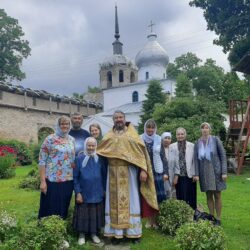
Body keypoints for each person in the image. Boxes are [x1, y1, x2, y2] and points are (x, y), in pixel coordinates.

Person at [97, 110, 158, 242]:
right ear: (113, 120)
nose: (119, 119)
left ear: (124, 119)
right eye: (116, 117)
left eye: (121, 117)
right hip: (112, 172)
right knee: (112, 203)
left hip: (129, 171)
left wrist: (143, 170)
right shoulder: (109, 136)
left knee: (132, 201)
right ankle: (115, 234)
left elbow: (142, 154)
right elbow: (100, 151)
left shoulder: (133, 134)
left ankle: (134, 233)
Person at [38, 116, 75, 249]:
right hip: (52, 180)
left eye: (67, 124)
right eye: (62, 124)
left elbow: (73, 160)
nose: (65, 126)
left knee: (63, 206)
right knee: (51, 207)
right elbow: (42, 161)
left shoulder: (72, 139)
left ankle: (61, 233)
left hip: (68, 179)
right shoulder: (50, 139)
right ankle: (49, 234)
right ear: (58, 125)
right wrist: (43, 181)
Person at [72, 137, 107, 245]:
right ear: (85, 146)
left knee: (94, 213)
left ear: (96, 146)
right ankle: (82, 234)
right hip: (84, 192)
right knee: (83, 212)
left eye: (93, 145)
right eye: (89, 145)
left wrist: (104, 190)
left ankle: (93, 234)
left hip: (97, 191)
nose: (91, 148)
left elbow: (104, 175)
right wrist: (78, 192)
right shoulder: (79, 159)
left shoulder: (100, 159)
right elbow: (75, 177)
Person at [194, 122, 227, 225]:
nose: (205, 129)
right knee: (208, 196)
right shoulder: (197, 143)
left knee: (217, 195)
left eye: (207, 127)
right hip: (204, 173)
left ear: (210, 130)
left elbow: (222, 155)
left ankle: (218, 218)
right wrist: (196, 174)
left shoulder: (215, 140)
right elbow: (195, 160)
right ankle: (211, 217)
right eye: (203, 128)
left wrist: (224, 172)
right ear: (201, 130)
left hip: (216, 172)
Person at [141, 119, 168, 228]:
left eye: (152, 127)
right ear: (145, 128)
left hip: (158, 172)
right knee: (148, 196)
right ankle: (149, 220)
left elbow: (163, 157)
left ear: (155, 128)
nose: (150, 129)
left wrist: (166, 173)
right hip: (145, 172)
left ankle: (156, 220)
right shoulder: (140, 139)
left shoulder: (158, 139)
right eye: (148, 127)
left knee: (158, 196)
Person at [171, 127, 197, 210]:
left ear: (185, 135)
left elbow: (194, 161)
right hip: (178, 175)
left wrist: (194, 174)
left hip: (189, 175)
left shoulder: (192, 145)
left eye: (182, 134)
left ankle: (193, 214)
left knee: (191, 196)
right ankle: (182, 213)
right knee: (180, 196)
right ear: (176, 135)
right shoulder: (172, 146)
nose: (180, 136)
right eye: (178, 134)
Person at [161, 132, 179, 199]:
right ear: (162, 139)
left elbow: (177, 165)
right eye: (165, 138)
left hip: (171, 177)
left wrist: (176, 177)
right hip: (161, 177)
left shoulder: (174, 150)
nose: (167, 140)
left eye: (169, 138)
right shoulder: (158, 149)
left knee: (170, 196)